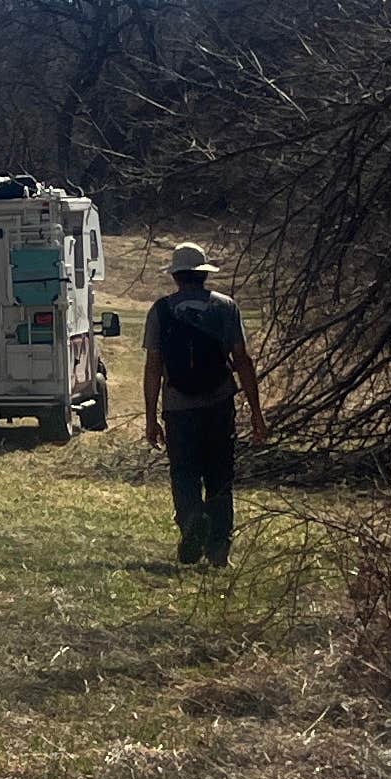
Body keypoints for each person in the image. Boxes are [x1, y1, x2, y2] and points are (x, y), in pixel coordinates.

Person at [142, 243, 266, 567]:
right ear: (202, 274)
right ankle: (218, 548)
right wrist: (256, 412)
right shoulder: (226, 307)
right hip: (218, 405)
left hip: (178, 409)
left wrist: (151, 418)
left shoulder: (161, 310)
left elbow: (153, 366)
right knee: (219, 476)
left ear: (176, 276)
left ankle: (192, 519)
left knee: (184, 474)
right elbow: (242, 360)